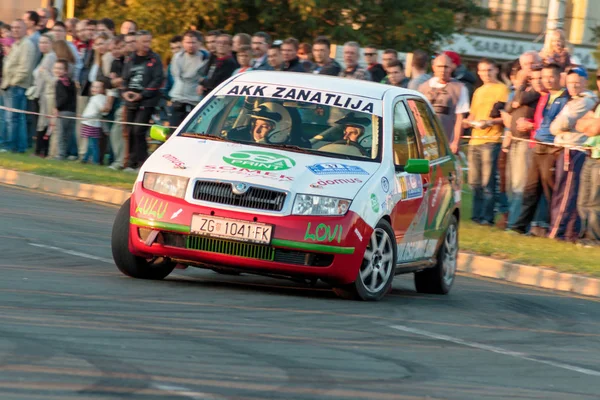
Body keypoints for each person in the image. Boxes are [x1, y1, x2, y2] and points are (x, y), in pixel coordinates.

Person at [548, 66, 598, 241]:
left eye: (577, 82)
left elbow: (557, 126)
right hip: (572, 150)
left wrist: (568, 125)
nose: (573, 86)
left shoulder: (584, 101)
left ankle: (557, 231)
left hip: (575, 149)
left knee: (566, 194)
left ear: (585, 82)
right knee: (574, 197)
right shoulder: (574, 100)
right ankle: (572, 234)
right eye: (570, 82)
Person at [418, 53, 469, 154]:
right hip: (424, 138)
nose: (442, 70)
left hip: (446, 139)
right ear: (433, 68)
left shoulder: (460, 88)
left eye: (446, 67)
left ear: (451, 68)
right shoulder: (423, 87)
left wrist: (455, 142)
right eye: (439, 66)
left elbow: (460, 118)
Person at [53, 59, 77, 160]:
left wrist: (56, 107)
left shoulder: (60, 82)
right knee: (69, 134)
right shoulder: (71, 82)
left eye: (60, 68)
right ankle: (70, 153)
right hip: (72, 112)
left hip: (63, 112)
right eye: (56, 68)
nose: (57, 70)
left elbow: (63, 97)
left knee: (61, 134)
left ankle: (61, 154)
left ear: (66, 70)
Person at [81, 81, 107, 164]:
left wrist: (85, 117)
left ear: (103, 89)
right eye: (93, 87)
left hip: (92, 124)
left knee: (93, 144)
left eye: (97, 87)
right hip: (89, 123)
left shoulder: (99, 98)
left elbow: (101, 110)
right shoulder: (95, 97)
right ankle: (85, 159)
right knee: (90, 143)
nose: (94, 89)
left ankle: (96, 161)